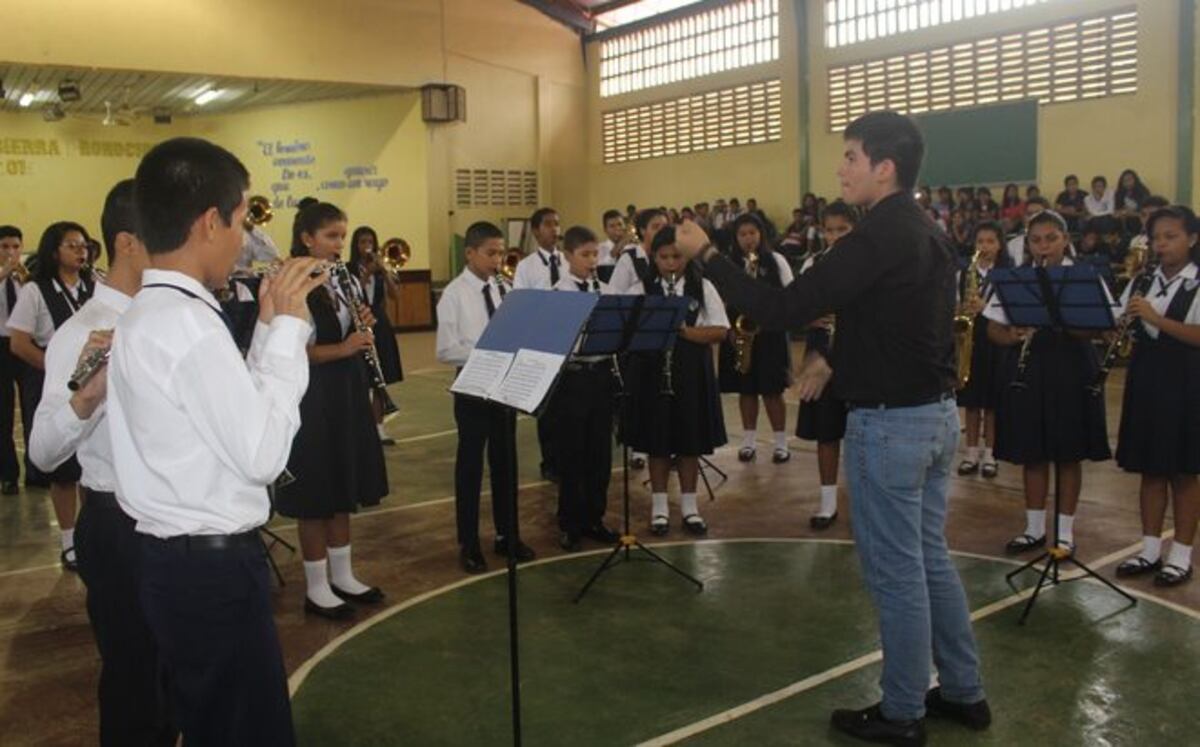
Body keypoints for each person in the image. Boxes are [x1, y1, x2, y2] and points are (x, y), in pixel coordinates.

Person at [674, 111, 989, 744]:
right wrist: (831, 358)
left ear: (884, 168)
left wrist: (706, 254)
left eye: (851, 157)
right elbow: (901, 328)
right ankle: (963, 691)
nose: (841, 169)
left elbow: (779, 307)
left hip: (891, 426)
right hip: (933, 417)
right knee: (929, 560)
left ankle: (903, 711)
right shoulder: (927, 233)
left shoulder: (875, 237)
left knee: (897, 573)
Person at [107, 137, 328, 746]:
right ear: (210, 223)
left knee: (214, 722)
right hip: (210, 572)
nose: (244, 239)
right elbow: (261, 455)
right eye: (241, 221)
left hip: (175, 563)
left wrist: (266, 328)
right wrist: (289, 333)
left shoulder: (155, 311)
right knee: (245, 731)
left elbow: (230, 415)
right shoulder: (187, 325)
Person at [28, 179, 175, 746]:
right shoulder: (83, 331)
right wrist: (86, 399)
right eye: (167, 235)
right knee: (134, 684)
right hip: (119, 524)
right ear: (129, 242)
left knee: (174, 679)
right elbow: (43, 450)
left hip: (176, 518)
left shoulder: (175, 317)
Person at [275, 204, 389, 619]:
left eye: (342, 235)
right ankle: (317, 586)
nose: (340, 244)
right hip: (312, 396)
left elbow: (349, 332)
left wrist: (363, 324)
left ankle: (343, 575)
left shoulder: (341, 278)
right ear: (307, 238)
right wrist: (344, 347)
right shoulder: (292, 283)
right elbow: (290, 351)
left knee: (342, 484)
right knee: (316, 491)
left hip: (345, 391)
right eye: (331, 236)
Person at [985, 210, 1112, 556]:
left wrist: (1065, 320)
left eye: (1051, 239)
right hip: (1030, 368)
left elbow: (1099, 325)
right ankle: (1034, 528)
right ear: (1027, 243)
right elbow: (993, 328)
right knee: (1033, 452)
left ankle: (1065, 534)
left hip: (1073, 367)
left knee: (1069, 453)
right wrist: (1011, 335)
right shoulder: (1017, 279)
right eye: (1036, 240)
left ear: (1065, 240)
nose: (1044, 246)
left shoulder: (1083, 277)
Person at [437, 221, 536, 574]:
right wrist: (488, 351)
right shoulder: (454, 294)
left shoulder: (503, 289)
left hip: (503, 385)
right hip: (473, 385)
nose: (497, 260)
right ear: (470, 253)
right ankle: (469, 543)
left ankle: (507, 535)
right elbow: (446, 350)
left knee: (505, 462)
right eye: (491, 253)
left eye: (500, 253)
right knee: (471, 466)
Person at [1113, 206, 1200, 586]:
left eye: (1171, 236)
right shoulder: (1143, 280)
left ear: (1192, 239)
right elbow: (1121, 324)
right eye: (1156, 238)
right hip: (1146, 381)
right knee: (1150, 469)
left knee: (1183, 472)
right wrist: (1121, 324)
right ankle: (1149, 549)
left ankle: (1181, 555)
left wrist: (1154, 318)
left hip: (1186, 384)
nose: (1161, 244)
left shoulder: (1196, 282)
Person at [626, 226, 728, 537]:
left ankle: (689, 507)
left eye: (677, 257)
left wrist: (684, 331)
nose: (671, 264)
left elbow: (720, 330)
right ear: (654, 257)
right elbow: (627, 332)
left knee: (689, 441)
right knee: (657, 440)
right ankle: (659, 508)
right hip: (651, 371)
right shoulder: (640, 289)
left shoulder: (702, 287)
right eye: (664, 257)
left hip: (691, 372)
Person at [7, 221, 95, 569]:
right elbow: (18, 343)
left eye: (84, 246)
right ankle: (69, 540)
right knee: (63, 469)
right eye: (72, 245)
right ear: (54, 251)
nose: (81, 251)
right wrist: (56, 366)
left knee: (90, 462)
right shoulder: (35, 290)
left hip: (91, 384)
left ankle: (90, 532)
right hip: (49, 382)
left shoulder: (95, 287)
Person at [551, 226, 619, 551]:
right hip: (572, 379)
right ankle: (570, 522)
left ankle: (595, 517)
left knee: (600, 453)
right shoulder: (558, 294)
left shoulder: (605, 291)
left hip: (601, 375)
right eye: (585, 255)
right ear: (568, 256)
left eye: (595, 254)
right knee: (572, 454)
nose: (592, 261)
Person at [794, 200, 856, 529]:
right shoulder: (813, 264)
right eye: (829, 230)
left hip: (859, 354)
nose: (835, 237)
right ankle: (828, 502)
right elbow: (795, 307)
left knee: (862, 432)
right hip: (822, 351)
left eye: (842, 230)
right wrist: (809, 317)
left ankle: (863, 500)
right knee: (827, 431)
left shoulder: (869, 264)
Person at [717, 213, 794, 464]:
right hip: (741, 333)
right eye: (742, 234)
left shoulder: (776, 260)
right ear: (735, 238)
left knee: (772, 390)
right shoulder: (729, 264)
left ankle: (781, 443)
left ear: (761, 234)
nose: (748, 238)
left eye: (752, 233)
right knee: (746, 389)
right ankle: (748, 441)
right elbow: (720, 298)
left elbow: (790, 293)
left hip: (770, 334)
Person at [956, 221, 1011, 479]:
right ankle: (970, 452)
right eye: (980, 241)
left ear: (1000, 245)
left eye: (990, 241)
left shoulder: (1006, 275)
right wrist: (961, 311)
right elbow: (955, 306)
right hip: (972, 341)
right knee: (971, 401)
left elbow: (1010, 311)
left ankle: (990, 453)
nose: (985, 246)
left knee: (992, 403)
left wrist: (984, 308)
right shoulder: (965, 273)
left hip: (997, 341)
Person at [513, 207, 563, 482]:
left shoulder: (567, 260)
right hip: (542, 342)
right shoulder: (527, 266)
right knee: (548, 409)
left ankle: (567, 457)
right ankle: (550, 461)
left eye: (557, 224)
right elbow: (522, 303)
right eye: (548, 224)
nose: (555, 229)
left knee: (567, 404)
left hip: (567, 340)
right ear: (535, 230)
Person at [348, 226, 404, 444]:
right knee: (362, 376)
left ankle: (379, 427)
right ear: (356, 245)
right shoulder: (349, 269)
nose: (367, 246)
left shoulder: (381, 269)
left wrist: (385, 272)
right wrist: (367, 273)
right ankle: (361, 427)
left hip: (380, 323)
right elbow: (352, 294)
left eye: (370, 242)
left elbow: (395, 296)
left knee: (381, 377)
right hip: (358, 321)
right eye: (363, 242)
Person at [0, 225, 27, 495]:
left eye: (15, 247)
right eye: (5, 247)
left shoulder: (25, 277)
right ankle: (8, 474)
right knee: (3, 411)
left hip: (24, 343)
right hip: (0, 345)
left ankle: (38, 472)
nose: (11, 252)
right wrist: (4, 273)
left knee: (32, 405)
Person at [1005, 196, 1049, 267]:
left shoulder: (1060, 244)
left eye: (1038, 214)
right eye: (1029, 214)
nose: (1033, 217)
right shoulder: (1012, 245)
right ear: (1024, 218)